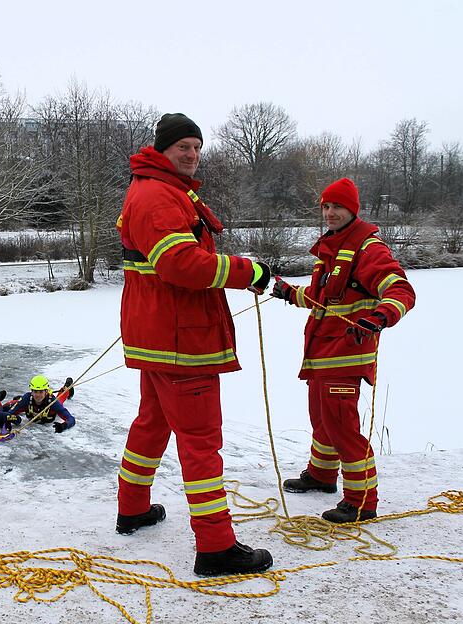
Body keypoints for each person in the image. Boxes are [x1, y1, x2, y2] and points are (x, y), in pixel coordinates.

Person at [115, 113, 274, 577]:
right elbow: (182, 265)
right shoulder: (158, 195)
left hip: (161, 337)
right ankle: (216, 546)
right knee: (201, 442)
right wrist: (248, 272)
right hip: (183, 340)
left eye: (196, 147)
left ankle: (133, 508)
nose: (191, 154)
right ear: (162, 149)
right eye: (183, 145)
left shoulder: (155, 189)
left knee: (151, 425)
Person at [271, 178, 415, 523]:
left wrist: (378, 318)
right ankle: (321, 475)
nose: (330, 213)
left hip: (347, 355)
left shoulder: (368, 248)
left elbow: (401, 291)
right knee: (322, 421)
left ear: (353, 209)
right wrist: (287, 292)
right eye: (326, 206)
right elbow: (325, 299)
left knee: (343, 429)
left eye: (337, 206)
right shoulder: (333, 247)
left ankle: (362, 501)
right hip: (322, 353)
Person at [3, 375, 75, 433]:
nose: (38, 395)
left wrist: (63, 426)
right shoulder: (27, 398)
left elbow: (71, 419)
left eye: (41, 392)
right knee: (12, 404)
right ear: (31, 391)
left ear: (46, 391)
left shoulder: (53, 402)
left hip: (54, 404)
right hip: (23, 401)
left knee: (60, 399)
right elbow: (9, 414)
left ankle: (67, 386)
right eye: (35, 392)